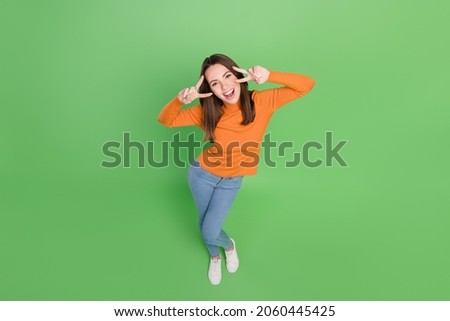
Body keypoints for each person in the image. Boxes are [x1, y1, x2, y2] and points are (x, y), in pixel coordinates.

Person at [158, 54, 315, 285]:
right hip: (201, 175)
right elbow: (166, 120)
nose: (224, 86)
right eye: (215, 83)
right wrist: (180, 100)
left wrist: (270, 75)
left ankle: (229, 246)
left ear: (238, 75)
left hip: (231, 181)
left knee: (210, 230)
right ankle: (214, 256)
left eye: (227, 76)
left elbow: (306, 85)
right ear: (211, 91)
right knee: (205, 224)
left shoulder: (262, 102)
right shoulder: (208, 112)